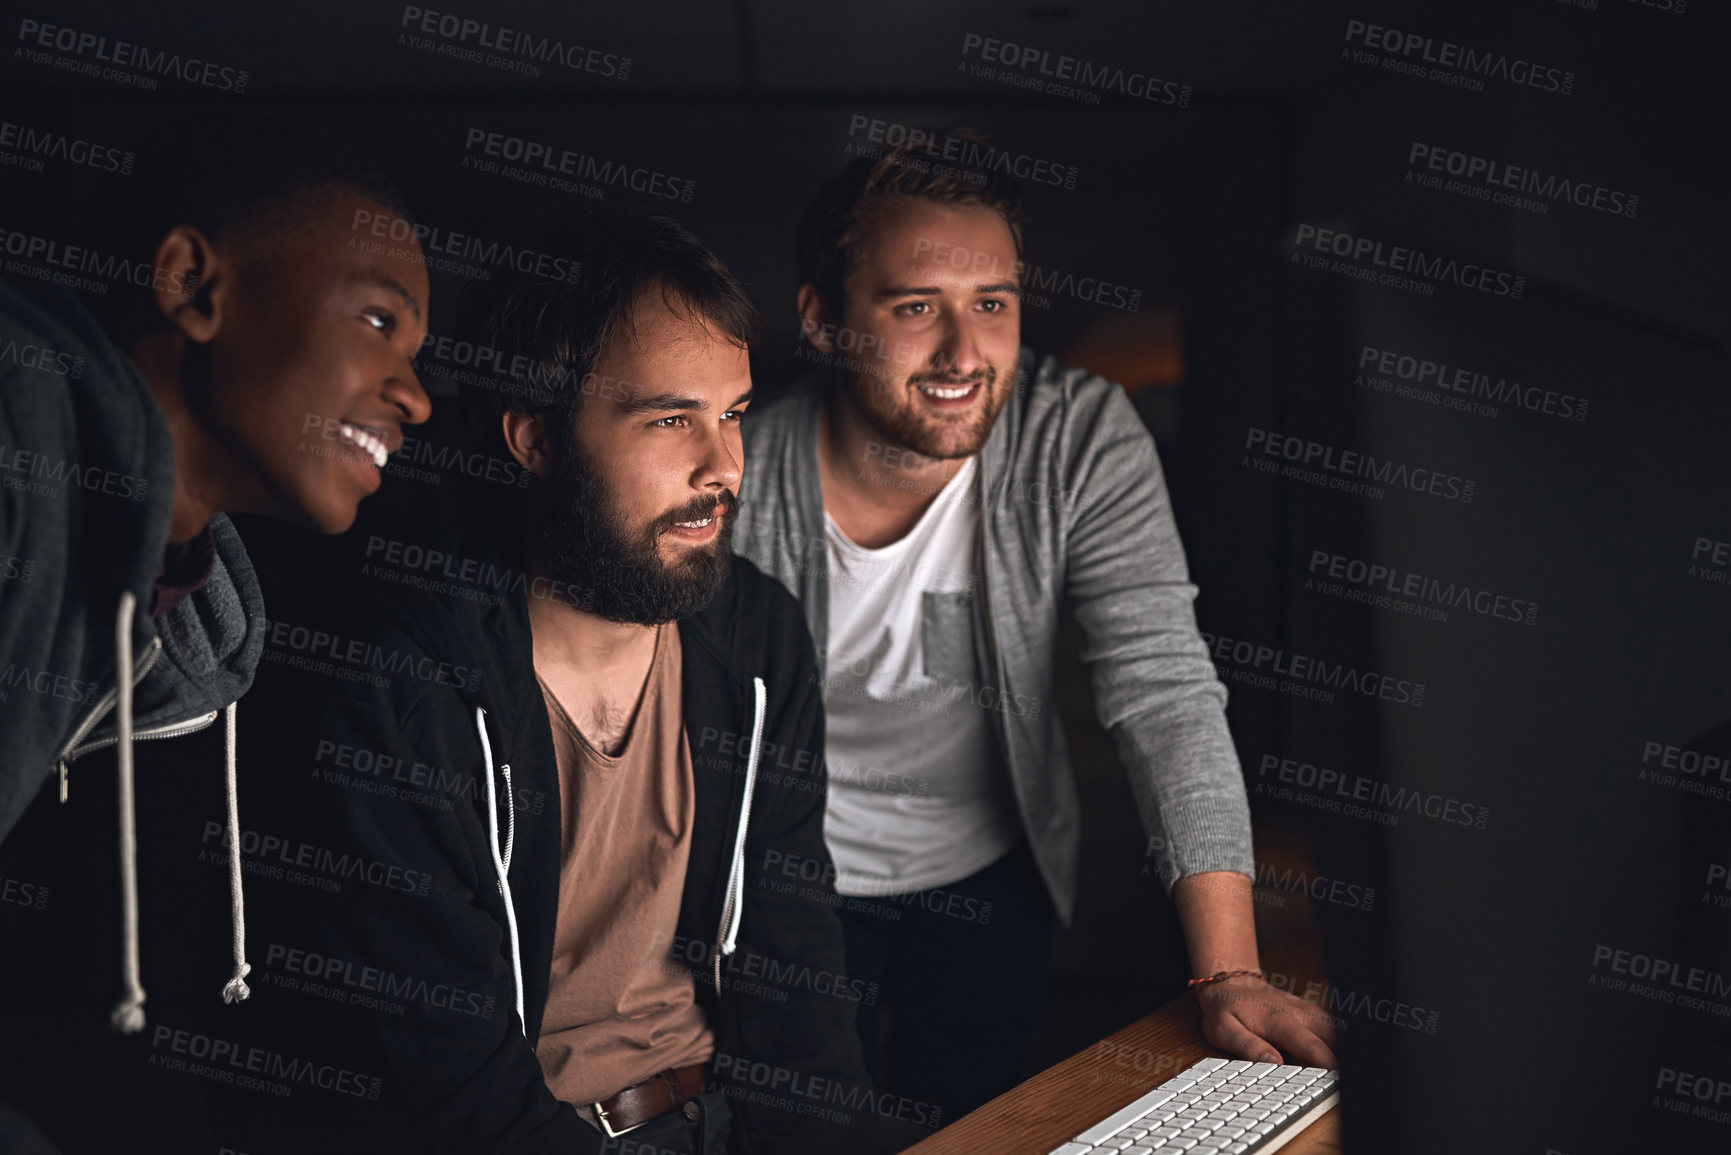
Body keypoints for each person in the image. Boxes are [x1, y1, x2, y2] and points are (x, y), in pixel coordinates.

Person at [97, 212, 891, 1155]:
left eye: (733, 414)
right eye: (671, 418)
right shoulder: (407, 686)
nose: (721, 466)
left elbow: (796, 961)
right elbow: (453, 1089)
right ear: (534, 440)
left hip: (730, 1120)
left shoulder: (757, 636)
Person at [731, 133, 1339, 1122]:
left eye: (995, 305)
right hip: (790, 878)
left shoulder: (1078, 435)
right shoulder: (741, 467)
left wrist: (1228, 974)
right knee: (801, 1131)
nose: (966, 354)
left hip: (990, 871)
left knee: (973, 1122)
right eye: (917, 306)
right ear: (824, 320)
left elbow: (1164, 688)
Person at [0, 116, 430, 1150]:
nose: (415, 396)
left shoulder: (156, 597)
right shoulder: (18, 457)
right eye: (380, 322)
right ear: (194, 284)